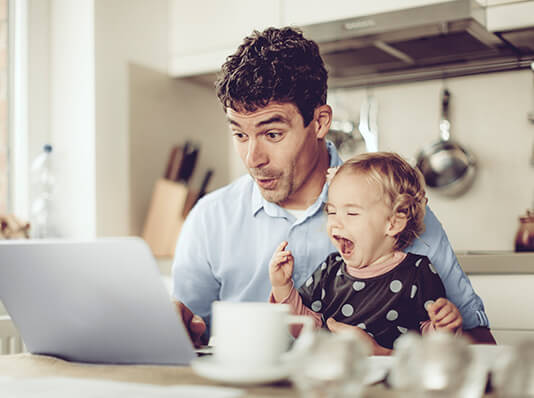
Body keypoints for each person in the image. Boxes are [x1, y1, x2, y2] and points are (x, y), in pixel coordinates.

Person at [171, 26, 494, 347]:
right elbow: (189, 334)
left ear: (321, 122)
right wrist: (183, 331)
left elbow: (478, 344)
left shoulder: (395, 209)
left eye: (272, 134)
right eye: (240, 135)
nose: (253, 158)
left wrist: (391, 352)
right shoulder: (209, 218)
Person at [269, 152, 462, 355]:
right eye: (332, 212)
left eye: (351, 213)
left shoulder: (417, 272)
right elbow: (305, 329)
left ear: (394, 223)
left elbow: (429, 346)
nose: (335, 222)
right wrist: (282, 286)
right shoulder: (329, 269)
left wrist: (444, 328)